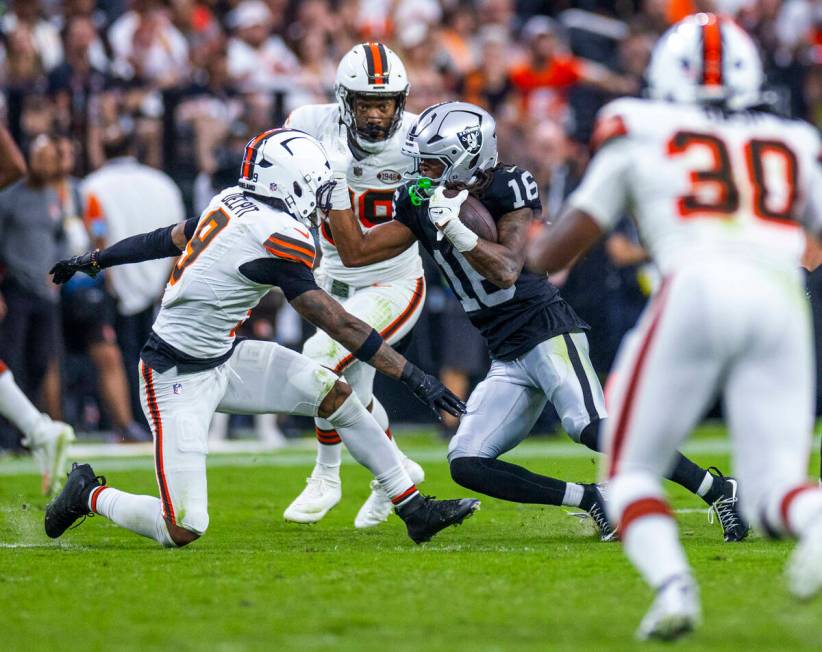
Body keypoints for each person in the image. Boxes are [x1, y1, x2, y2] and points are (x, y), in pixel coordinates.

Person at [326, 100, 748, 543]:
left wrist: (456, 229)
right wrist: (334, 194)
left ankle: (720, 490)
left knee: (590, 426)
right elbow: (358, 252)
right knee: (467, 461)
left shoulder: (509, 184)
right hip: (505, 350)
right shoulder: (421, 201)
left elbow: (508, 268)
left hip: (545, 328)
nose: (422, 172)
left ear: (467, 157)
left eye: (432, 163)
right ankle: (592, 499)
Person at [526, 13, 822, 640]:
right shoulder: (791, 138)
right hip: (781, 295)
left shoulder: (639, 130)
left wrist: (519, 249)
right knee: (774, 492)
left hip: (697, 288)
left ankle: (674, 589)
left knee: (630, 470)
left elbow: (557, 251)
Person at [45, 127, 478, 548]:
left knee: (336, 395)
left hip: (223, 357)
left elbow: (167, 238)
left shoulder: (231, 202)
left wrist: (97, 259)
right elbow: (340, 325)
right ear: (292, 182)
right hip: (174, 376)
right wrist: (417, 378)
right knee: (184, 526)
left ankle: (413, 507)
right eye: (317, 184)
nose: (323, 195)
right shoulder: (275, 236)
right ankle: (88, 494)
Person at [282, 42, 427, 529]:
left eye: (383, 103)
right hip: (331, 281)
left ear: (400, 103)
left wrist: (338, 181)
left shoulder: (422, 140)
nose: (374, 114)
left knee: (320, 360)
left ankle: (326, 475)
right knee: (357, 399)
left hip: (392, 281)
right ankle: (398, 473)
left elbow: (360, 248)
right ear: (345, 100)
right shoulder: (308, 124)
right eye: (364, 103)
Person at [0, 125, 74, 494]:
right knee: (10, 360)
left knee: (41, 361)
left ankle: (34, 430)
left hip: (45, 294)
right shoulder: (10, 195)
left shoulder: (54, 195)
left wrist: (58, 270)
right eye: (40, 157)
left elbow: (59, 236)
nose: (45, 164)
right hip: (15, 288)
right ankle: (17, 435)